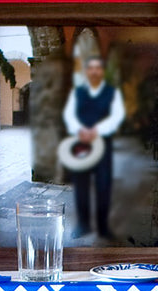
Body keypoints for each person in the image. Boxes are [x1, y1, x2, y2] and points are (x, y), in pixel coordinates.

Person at [62, 56, 126, 239]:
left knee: (104, 185)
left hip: (103, 145)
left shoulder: (112, 93)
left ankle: (103, 227)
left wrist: (97, 130)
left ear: (102, 71)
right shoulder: (77, 93)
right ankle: (83, 225)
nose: (94, 71)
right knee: (81, 184)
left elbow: (117, 115)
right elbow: (69, 115)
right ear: (86, 72)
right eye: (91, 68)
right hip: (81, 144)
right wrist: (79, 129)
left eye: (98, 68)